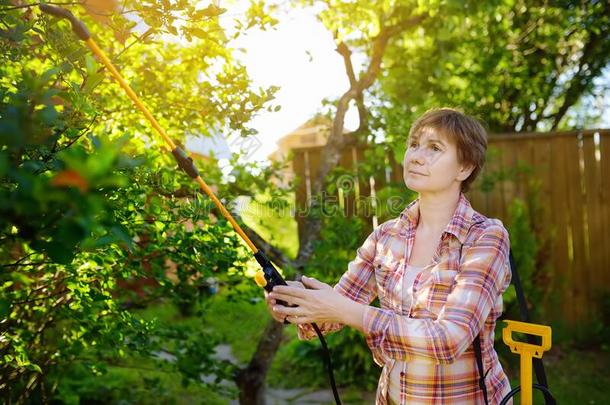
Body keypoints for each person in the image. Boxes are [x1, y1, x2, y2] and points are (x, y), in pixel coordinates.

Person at [265, 108, 513, 404]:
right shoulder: (385, 237)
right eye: (413, 144)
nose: (416, 156)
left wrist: (343, 309)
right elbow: (336, 311)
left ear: (465, 168)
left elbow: (449, 340)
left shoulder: (485, 237)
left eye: (434, 148)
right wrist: (299, 305)